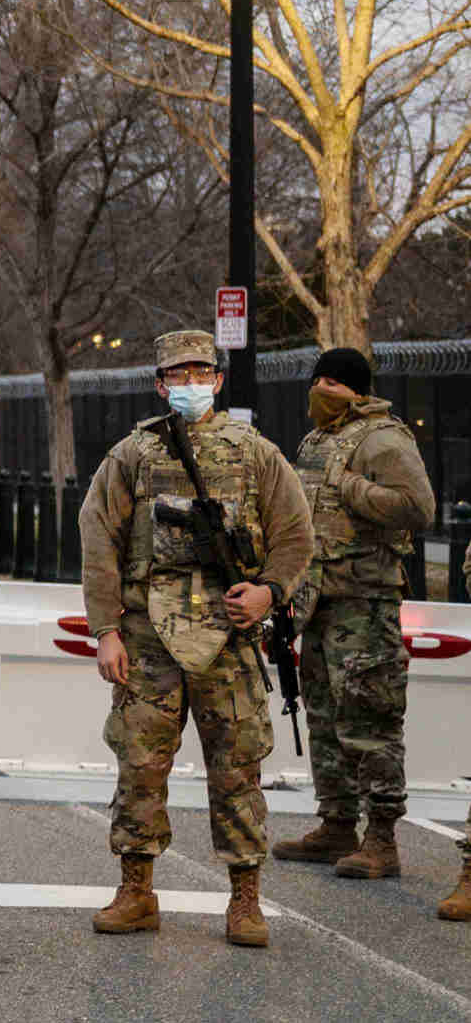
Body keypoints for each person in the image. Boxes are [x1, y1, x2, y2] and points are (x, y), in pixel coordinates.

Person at [78, 330, 312, 948]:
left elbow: (295, 535)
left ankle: (245, 899)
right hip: (148, 637)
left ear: (217, 378)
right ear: (159, 385)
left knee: (237, 769)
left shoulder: (257, 455)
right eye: (177, 375)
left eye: (199, 372)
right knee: (139, 767)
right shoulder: (131, 456)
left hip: (228, 639)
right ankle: (136, 891)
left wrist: (269, 591)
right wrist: (106, 630)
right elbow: (98, 542)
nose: (189, 383)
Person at [268, 345, 436, 881]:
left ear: (357, 390)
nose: (321, 390)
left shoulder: (385, 439)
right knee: (323, 720)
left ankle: (381, 839)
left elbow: (419, 507)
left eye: (333, 383)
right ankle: (336, 823)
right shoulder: (316, 441)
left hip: (365, 604)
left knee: (370, 722)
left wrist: (353, 487)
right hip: (317, 602)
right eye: (316, 380)